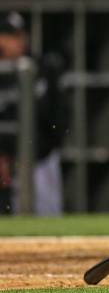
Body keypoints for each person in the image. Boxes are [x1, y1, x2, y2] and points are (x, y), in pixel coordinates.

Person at [0, 12, 66, 215]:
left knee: (47, 216)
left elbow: (57, 116)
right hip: (5, 158)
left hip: (40, 159)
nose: (19, 41)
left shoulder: (40, 68)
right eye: (11, 35)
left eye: (21, 35)